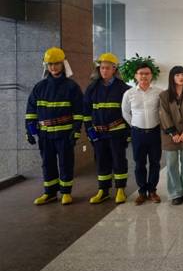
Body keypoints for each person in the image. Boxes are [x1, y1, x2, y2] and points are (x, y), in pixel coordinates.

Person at [25, 47, 83, 205]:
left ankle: (66, 193)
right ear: (46, 65)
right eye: (50, 64)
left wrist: (76, 130)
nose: (53, 67)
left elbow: (79, 112)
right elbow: (31, 111)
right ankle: (50, 193)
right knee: (47, 164)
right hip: (45, 134)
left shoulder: (72, 87)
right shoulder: (39, 87)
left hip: (65, 134)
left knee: (65, 163)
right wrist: (29, 131)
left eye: (56, 63)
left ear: (63, 64)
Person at [83, 53, 131, 205]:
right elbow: (86, 112)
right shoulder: (92, 88)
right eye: (102, 68)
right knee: (101, 161)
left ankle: (120, 189)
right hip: (99, 133)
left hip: (117, 132)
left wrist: (128, 133)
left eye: (107, 68)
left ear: (114, 69)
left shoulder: (123, 88)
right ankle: (103, 191)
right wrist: (89, 130)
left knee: (119, 160)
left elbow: (129, 113)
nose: (104, 71)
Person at [121, 62, 163, 205]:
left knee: (155, 162)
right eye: (141, 73)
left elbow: (163, 111)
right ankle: (142, 191)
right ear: (136, 76)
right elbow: (125, 112)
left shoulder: (159, 92)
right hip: (137, 133)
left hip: (154, 132)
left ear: (151, 76)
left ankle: (152, 191)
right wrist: (134, 124)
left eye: (147, 73)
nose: (144, 76)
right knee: (139, 163)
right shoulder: (129, 93)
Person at [159, 66, 183, 205]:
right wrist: (173, 132)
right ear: (172, 77)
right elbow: (163, 114)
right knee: (171, 164)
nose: (181, 77)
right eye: (177, 75)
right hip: (170, 135)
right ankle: (175, 193)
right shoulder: (164, 95)